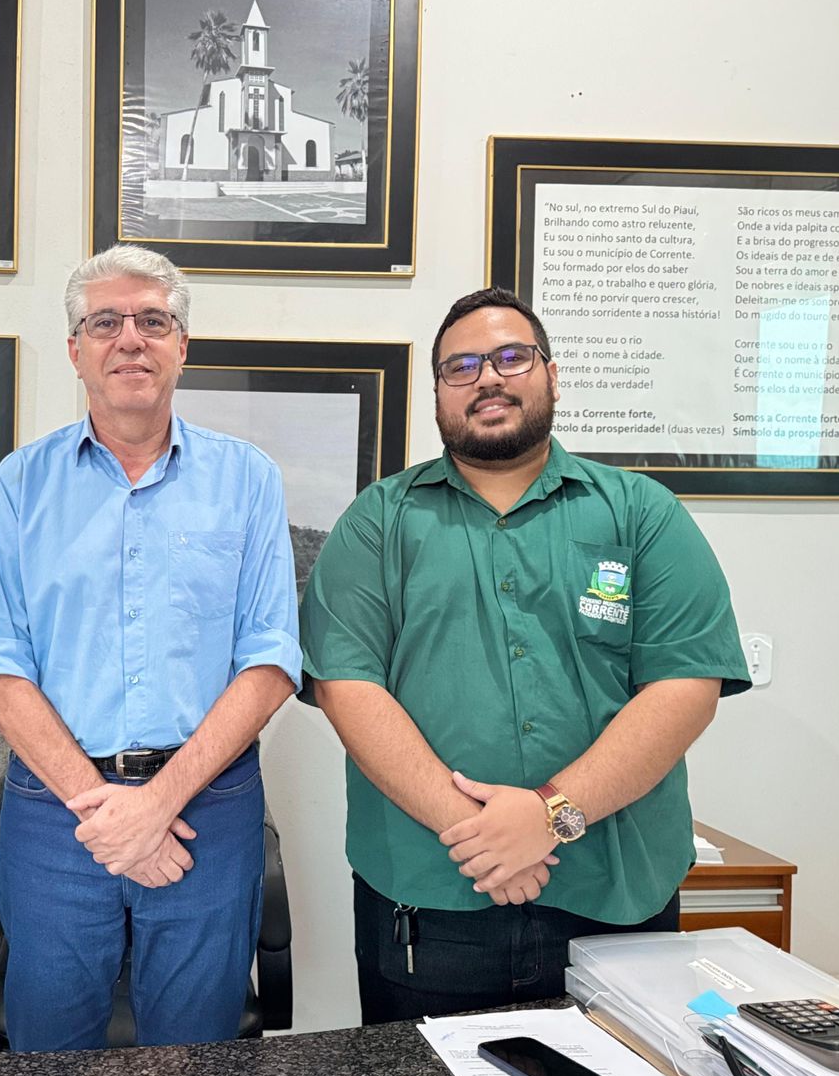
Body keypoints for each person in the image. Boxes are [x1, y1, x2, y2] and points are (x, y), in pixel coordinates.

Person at [299, 287, 751, 1022]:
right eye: (462, 366)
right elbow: (348, 689)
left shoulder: (641, 514)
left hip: (618, 893)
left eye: (512, 357)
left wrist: (550, 818)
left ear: (551, 374)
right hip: (431, 900)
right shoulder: (379, 523)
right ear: (439, 392)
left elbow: (683, 688)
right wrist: (479, 836)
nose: (488, 378)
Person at [0, 244, 300, 1051]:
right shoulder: (18, 485)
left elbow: (271, 662)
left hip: (206, 809)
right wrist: (103, 808)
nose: (130, 339)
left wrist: (156, 805)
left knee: (194, 1068)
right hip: (57, 813)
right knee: (47, 1072)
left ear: (182, 346)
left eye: (154, 321)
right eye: (105, 322)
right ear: (76, 349)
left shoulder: (247, 480)